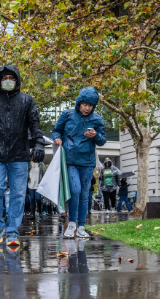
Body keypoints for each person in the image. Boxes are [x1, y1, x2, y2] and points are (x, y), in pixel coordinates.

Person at [0, 65, 46, 245]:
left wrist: (38, 143)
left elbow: (35, 124)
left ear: (17, 80)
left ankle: (12, 231)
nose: (8, 80)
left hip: (19, 155)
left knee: (18, 194)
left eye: (11, 77)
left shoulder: (26, 100)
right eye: (4, 77)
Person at [51, 87, 107, 238]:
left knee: (84, 194)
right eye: (84, 105)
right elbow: (56, 131)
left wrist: (95, 135)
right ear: (79, 103)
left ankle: (81, 226)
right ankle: (71, 223)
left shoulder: (97, 119)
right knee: (74, 189)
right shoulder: (67, 115)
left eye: (90, 105)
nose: (87, 108)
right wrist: (57, 138)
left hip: (88, 162)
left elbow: (102, 140)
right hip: (70, 161)